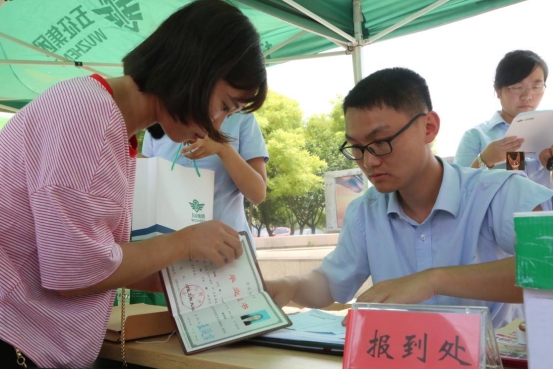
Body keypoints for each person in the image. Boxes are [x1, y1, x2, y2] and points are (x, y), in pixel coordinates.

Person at [0, 0, 267, 367]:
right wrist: (184, 242)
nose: (216, 126)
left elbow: (90, 257)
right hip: (15, 341)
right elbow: (74, 273)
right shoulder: (87, 117)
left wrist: (185, 280)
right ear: (195, 69)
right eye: (224, 105)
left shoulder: (108, 123)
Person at [265, 67, 552, 330]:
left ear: (429, 127)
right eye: (356, 147)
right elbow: (329, 283)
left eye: (380, 142)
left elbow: (547, 266)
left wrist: (434, 281)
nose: (368, 161)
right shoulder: (365, 212)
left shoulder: (499, 193)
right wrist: (290, 285)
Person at [142, 112, 268, 248]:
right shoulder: (157, 122)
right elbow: (146, 191)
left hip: (227, 249)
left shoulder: (241, 117)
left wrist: (223, 149)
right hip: (170, 251)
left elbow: (257, 194)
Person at [454, 50, 551, 188]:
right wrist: (484, 160)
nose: (528, 96)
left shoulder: (550, 131)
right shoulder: (475, 136)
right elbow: (458, 190)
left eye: (536, 87)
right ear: (498, 90)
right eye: (517, 87)